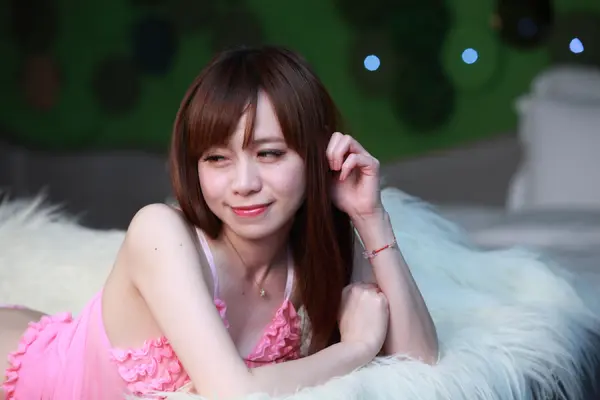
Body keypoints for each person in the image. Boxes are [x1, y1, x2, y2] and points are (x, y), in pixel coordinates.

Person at [0, 46, 438, 400]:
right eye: (216, 158)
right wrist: (356, 349)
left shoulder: (316, 253)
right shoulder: (159, 232)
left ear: (316, 155)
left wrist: (369, 217)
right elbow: (233, 393)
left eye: (269, 153)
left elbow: (419, 363)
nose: (244, 184)